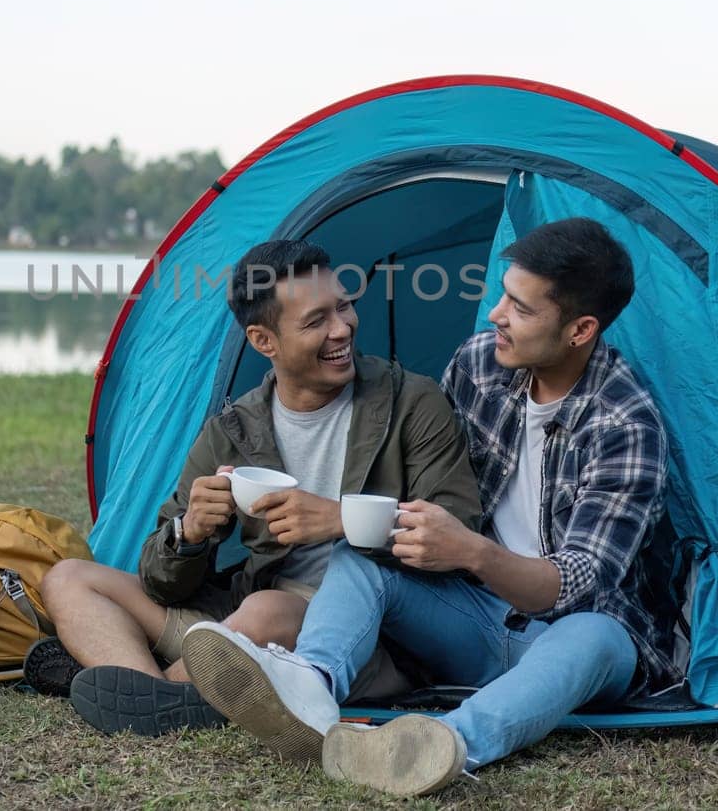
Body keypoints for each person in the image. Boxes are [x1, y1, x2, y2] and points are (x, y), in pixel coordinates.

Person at [181, 218, 680, 796]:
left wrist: (472, 552)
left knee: (595, 634)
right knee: (360, 558)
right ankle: (309, 687)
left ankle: (439, 747)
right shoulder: (478, 366)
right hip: (472, 618)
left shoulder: (625, 422)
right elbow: (439, 496)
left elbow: (572, 587)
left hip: (568, 635)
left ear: (580, 329)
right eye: (502, 296)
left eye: (519, 308)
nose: (495, 314)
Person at [33, 239, 482, 736]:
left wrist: (340, 519)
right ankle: (164, 694)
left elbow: (459, 534)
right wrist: (190, 534)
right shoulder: (234, 430)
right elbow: (162, 581)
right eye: (316, 321)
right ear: (263, 341)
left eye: (345, 306)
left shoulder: (411, 404)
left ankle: (142, 687)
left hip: (363, 637)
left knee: (267, 613)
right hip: (242, 621)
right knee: (70, 578)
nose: (343, 328)